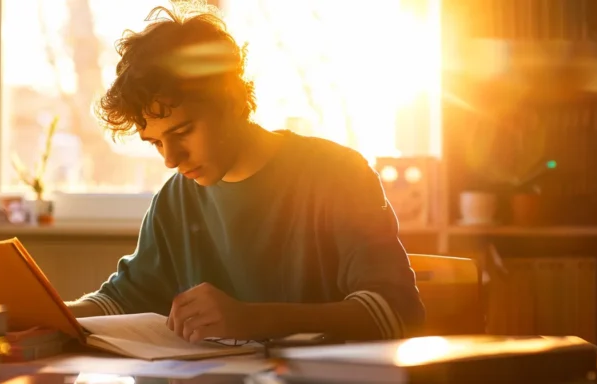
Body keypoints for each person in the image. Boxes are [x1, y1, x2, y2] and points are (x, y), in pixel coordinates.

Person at [64, 2, 424, 344]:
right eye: (155, 143)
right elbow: (121, 300)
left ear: (230, 102)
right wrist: (45, 314)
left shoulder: (338, 174)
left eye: (182, 131)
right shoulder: (177, 198)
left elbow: (396, 313)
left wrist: (256, 320)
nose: (171, 159)